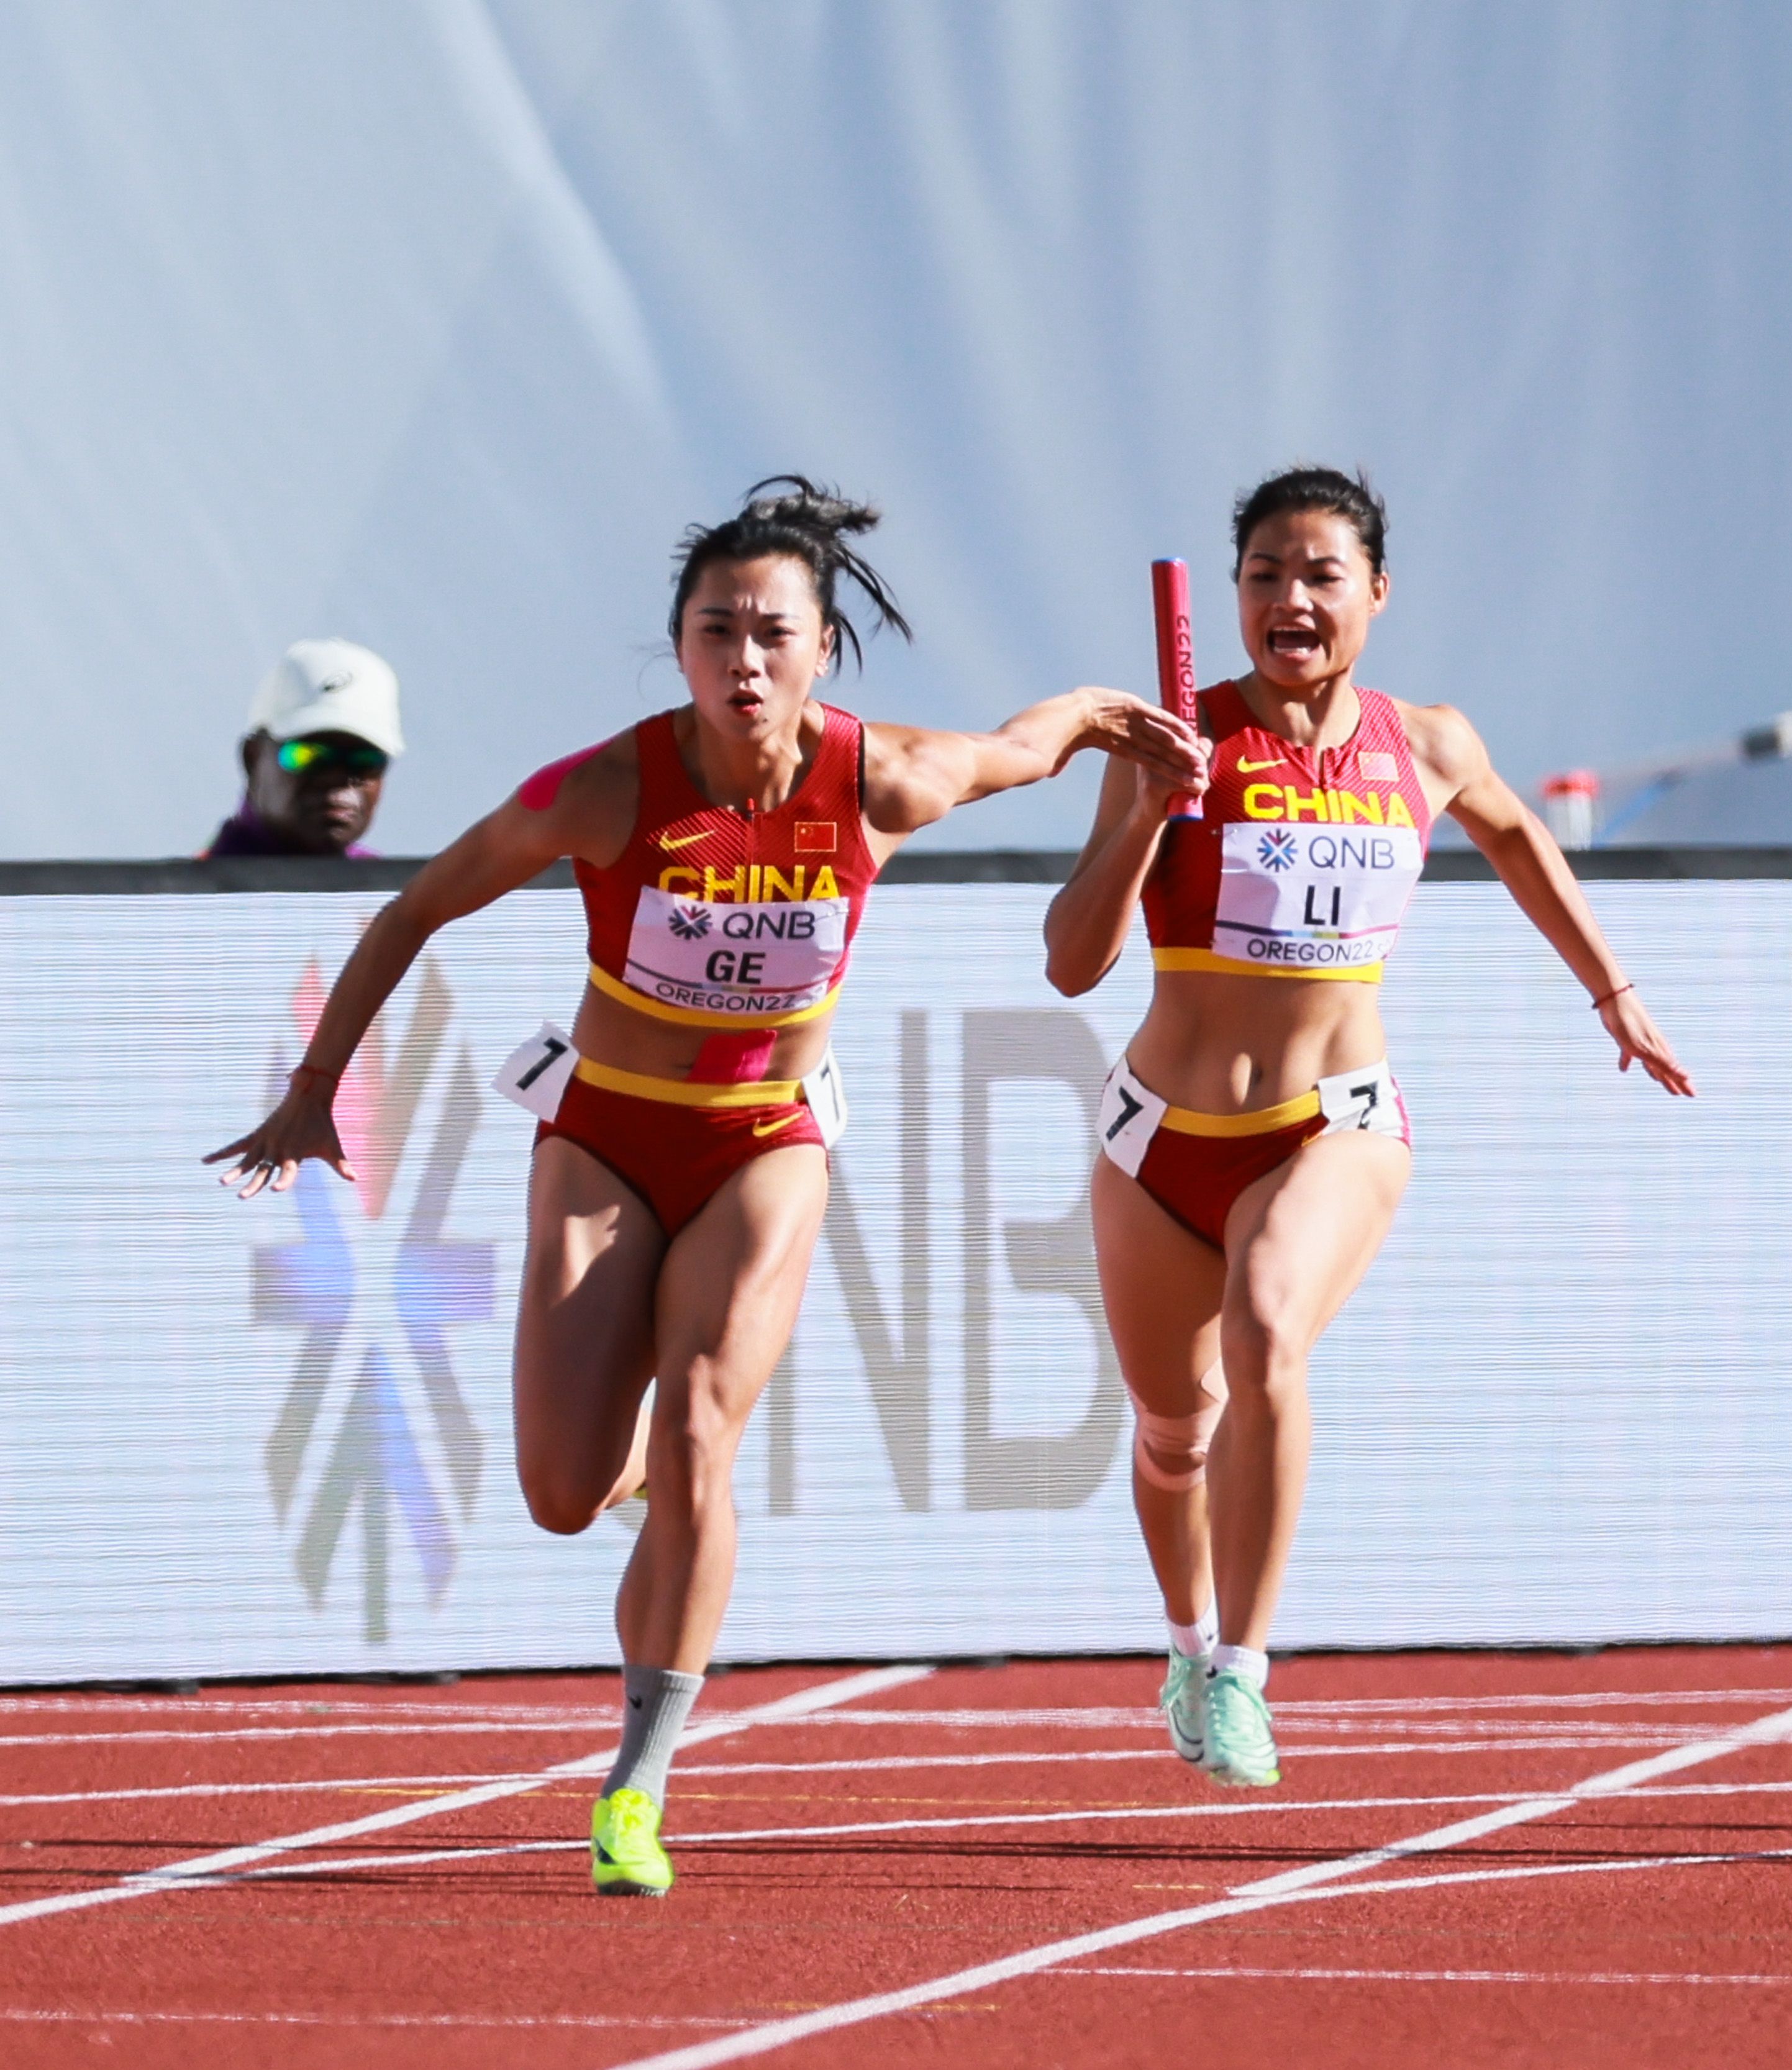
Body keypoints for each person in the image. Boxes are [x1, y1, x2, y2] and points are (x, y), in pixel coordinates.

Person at [207, 479, 1206, 1895]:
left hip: (762, 1145)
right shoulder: (603, 791)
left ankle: (636, 1786)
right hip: (608, 1142)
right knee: (563, 1491)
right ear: (677, 647)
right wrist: (312, 1093)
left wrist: (1114, 712)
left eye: (772, 633)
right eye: (714, 631)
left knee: (699, 1436)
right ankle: (636, 1488)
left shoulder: (885, 780)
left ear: (819, 652)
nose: (743, 659)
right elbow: (416, 903)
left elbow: (1025, 747)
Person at [1044, 466, 1693, 1788]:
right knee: (1174, 1437)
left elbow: (1518, 838)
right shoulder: (1170, 738)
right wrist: (1150, 813)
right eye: (1265, 575)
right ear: (1233, 597)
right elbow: (1070, 961)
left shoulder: (1429, 742)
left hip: (1332, 1124)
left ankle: (1243, 1667)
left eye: (1321, 573)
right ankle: (1183, 1640)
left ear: (1376, 594)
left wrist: (1611, 988)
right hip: (1158, 1141)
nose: (1291, 598)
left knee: (1268, 1325)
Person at [206, 638, 404, 857]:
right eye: (310, 756)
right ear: (252, 759)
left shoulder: (402, 890)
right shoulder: (192, 888)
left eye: (366, 761)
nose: (337, 777)